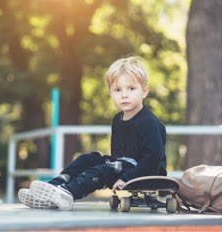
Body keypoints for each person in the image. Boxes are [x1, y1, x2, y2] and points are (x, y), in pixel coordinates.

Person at [18, 56, 167, 211]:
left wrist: (126, 178)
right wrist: (111, 165)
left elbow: (153, 157)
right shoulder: (118, 119)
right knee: (87, 159)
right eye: (118, 90)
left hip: (144, 171)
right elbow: (117, 154)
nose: (124, 95)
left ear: (144, 91)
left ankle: (69, 192)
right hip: (122, 164)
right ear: (110, 93)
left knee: (105, 168)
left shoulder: (148, 122)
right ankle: (54, 187)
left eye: (131, 88)